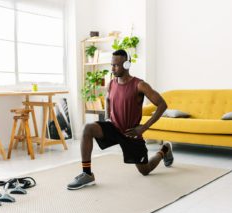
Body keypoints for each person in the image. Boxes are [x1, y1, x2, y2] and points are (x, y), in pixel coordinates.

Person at [67, 49, 173, 190]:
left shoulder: (140, 85)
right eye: (112, 65)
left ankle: (164, 149)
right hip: (114, 128)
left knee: (145, 171)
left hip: (131, 133)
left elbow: (162, 104)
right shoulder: (111, 83)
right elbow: (108, 99)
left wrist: (144, 127)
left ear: (127, 65)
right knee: (88, 128)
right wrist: (107, 118)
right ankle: (87, 174)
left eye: (116, 65)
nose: (112, 68)